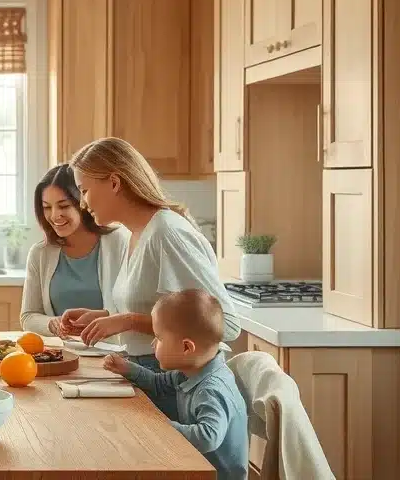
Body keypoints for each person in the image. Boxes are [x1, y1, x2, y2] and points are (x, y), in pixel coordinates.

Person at [61, 137, 240, 419]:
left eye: (85, 191)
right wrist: (105, 317)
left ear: (115, 183)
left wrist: (128, 320)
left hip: (173, 386)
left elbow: (225, 325)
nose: (82, 204)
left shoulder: (167, 234)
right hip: (147, 375)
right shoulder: (136, 234)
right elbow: (162, 309)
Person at [103, 289, 248, 480]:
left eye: (159, 338)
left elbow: (207, 437)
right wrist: (127, 369)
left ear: (186, 347)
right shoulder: (190, 372)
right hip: (191, 465)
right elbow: (158, 383)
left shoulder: (211, 389)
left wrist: (159, 427)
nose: (154, 344)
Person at [19, 164, 130, 337]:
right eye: (47, 207)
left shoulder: (119, 241)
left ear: (83, 203)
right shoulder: (40, 253)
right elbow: (28, 316)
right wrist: (52, 324)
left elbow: (133, 311)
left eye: (63, 206)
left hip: (112, 354)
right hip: (62, 354)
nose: (55, 215)